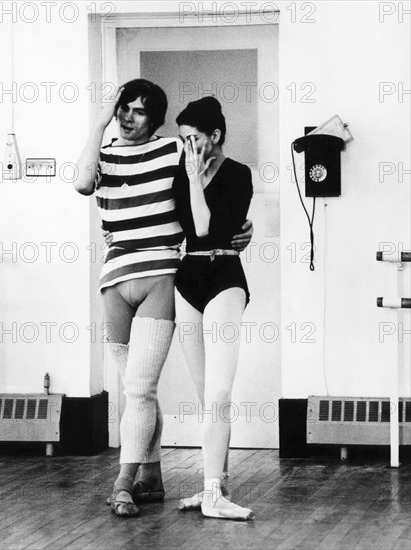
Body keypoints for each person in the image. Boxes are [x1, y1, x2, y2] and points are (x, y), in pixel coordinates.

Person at [74, 79, 253, 518]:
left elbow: (211, 208)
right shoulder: (109, 153)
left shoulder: (176, 151)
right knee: (140, 389)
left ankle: (132, 485)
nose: (126, 116)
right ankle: (153, 473)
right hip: (124, 275)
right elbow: (81, 183)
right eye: (122, 109)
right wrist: (98, 124)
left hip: (169, 275)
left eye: (138, 111)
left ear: (154, 121)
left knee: (149, 387)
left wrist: (242, 230)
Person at [173, 97, 255, 521]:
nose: (188, 147)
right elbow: (179, 229)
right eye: (182, 139)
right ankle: (214, 484)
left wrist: (193, 179)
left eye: (195, 139)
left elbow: (204, 227)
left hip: (224, 275)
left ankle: (211, 494)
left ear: (215, 136)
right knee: (205, 394)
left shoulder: (238, 174)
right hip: (187, 281)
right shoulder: (180, 174)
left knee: (220, 393)